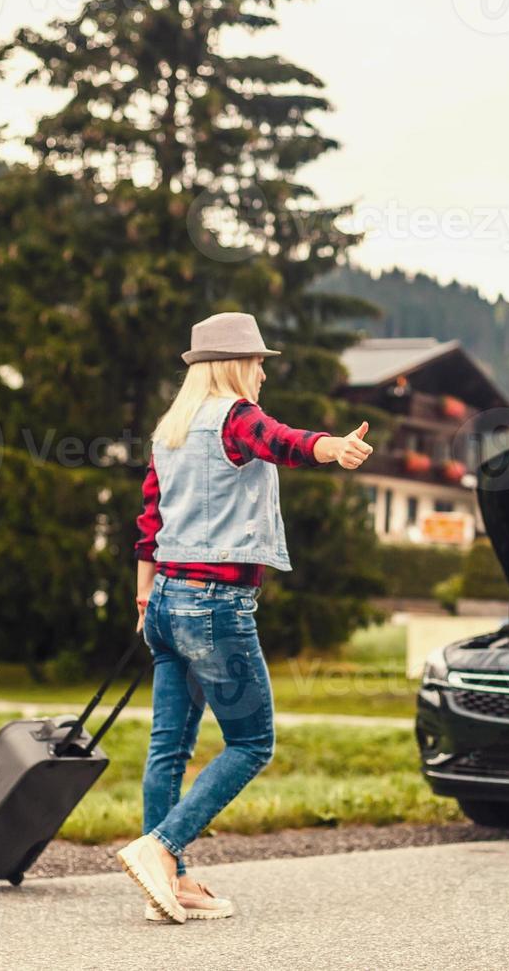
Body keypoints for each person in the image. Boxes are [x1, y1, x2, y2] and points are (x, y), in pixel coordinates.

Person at [115, 312, 372, 923]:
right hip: (214, 605)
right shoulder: (236, 418)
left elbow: (149, 524)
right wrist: (332, 447)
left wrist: (145, 598)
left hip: (165, 601)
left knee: (168, 748)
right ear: (234, 365)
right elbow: (281, 440)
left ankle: (167, 884)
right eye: (258, 361)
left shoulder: (170, 430)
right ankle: (161, 849)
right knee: (253, 742)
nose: (262, 372)